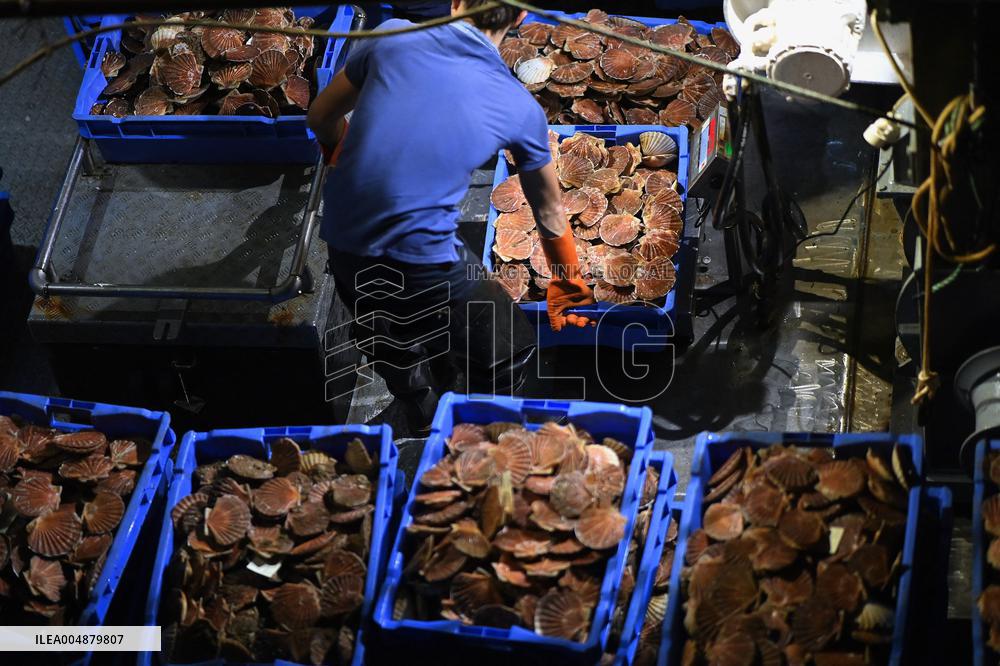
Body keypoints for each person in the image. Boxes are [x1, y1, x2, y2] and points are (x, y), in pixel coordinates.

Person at [307, 0, 595, 435]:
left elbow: (320, 116)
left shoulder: (390, 35)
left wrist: (339, 154)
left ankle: (420, 418)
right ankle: (480, 432)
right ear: (521, 19)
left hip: (342, 241)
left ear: (456, 3)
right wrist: (567, 283)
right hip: (425, 260)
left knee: (392, 337)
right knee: (507, 343)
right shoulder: (517, 106)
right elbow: (551, 213)